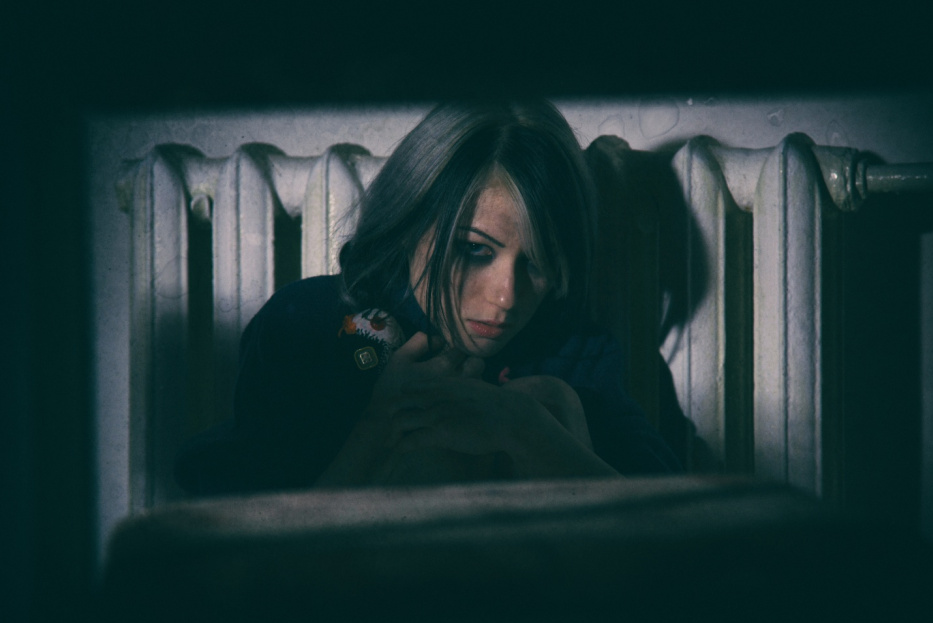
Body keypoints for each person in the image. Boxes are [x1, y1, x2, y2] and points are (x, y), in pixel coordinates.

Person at [175, 100, 684, 496]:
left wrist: (525, 430)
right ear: (410, 223)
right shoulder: (315, 325)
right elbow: (253, 545)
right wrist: (380, 426)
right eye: (474, 250)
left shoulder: (580, 355)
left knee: (552, 400)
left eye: (537, 263)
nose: (506, 297)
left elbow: (664, 535)